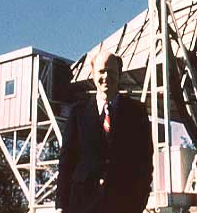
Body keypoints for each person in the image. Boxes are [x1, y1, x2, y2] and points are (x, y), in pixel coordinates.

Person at [56, 50, 153, 213]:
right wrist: (61, 205)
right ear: (93, 74)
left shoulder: (136, 113)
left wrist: (138, 203)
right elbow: (66, 162)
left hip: (124, 205)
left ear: (120, 74)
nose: (106, 76)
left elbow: (144, 163)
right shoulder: (78, 113)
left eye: (112, 72)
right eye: (101, 71)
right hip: (81, 205)